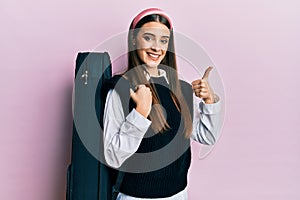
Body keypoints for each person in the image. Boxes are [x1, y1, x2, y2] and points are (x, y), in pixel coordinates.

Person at [103, 8, 221, 200]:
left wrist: (209, 101)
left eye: (163, 40)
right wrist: (140, 114)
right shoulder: (121, 88)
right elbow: (112, 156)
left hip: (178, 195)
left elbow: (206, 136)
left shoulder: (181, 88)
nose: (157, 48)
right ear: (134, 40)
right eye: (148, 38)